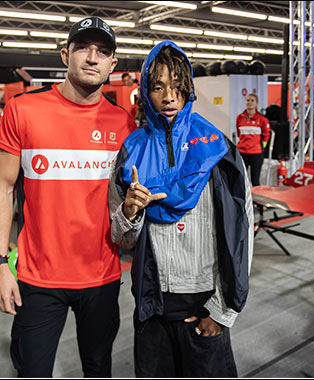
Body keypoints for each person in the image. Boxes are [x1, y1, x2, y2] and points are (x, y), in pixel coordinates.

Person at [0, 17, 135, 378]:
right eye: (83, 47)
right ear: (64, 54)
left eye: (102, 51)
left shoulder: (124, 123)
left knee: (98, 369)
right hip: (38, 279)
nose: (91, 57)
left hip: (101, 277)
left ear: (112, 65)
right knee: (32, 371)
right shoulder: (23, 110)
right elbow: (2, 189)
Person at [108, 41, 254, 378]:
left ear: (188, 88)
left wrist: (222, 311)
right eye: (158, 87)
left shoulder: (219, 150)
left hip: (204, 304)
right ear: (146, 91)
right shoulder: (131, 153)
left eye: (177, 86)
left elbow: (241, 233)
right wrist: (130, 214)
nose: (169, 97)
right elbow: (122, 239)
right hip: (152, 306)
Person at [236, 93, 271, 186]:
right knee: (241, 178)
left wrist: (261, 147)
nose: (250, 102)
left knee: (255, 179)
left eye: (252, 100)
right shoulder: (239, 118)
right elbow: (239, 133)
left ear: (256, 103)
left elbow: (266, 136)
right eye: (248, 100)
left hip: (256, 153)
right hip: (242, 152)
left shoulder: (262, 120)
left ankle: (256, 200)